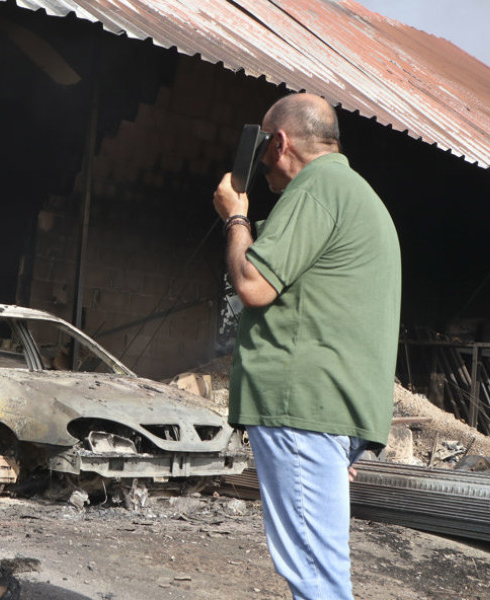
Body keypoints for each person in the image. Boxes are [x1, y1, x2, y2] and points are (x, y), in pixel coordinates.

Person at [212, 93, 401, 600]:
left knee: (317, 580)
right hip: (330, 413)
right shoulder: (357, 196)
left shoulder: (316, 189)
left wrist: (236, 217)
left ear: (278, 144)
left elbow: (253, 285)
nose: (263, 173)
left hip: (301, 411)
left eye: (262, 158)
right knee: (319, 571)